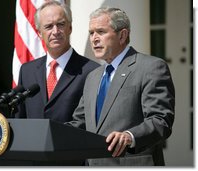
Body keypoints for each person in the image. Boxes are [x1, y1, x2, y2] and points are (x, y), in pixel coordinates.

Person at [66, 7, 175, 166]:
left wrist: (130, 136)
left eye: (101, 32)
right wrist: (48, 132)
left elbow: (161, 120)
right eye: (91, 33)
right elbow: (79, 123)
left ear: (122, 35)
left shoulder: (150, 67)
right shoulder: (93, 77)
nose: (94, 38)